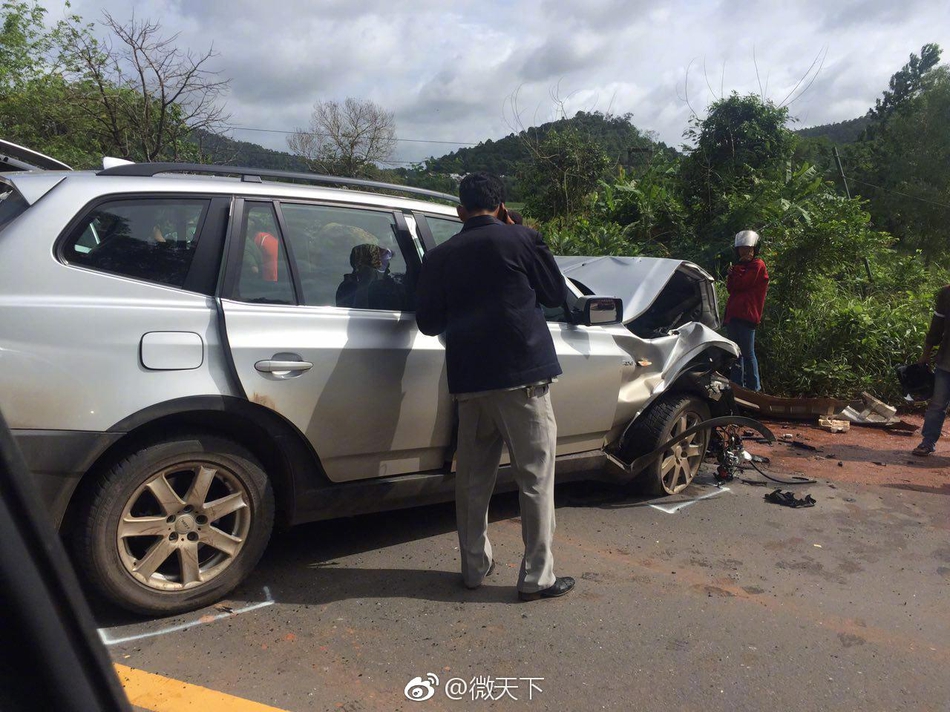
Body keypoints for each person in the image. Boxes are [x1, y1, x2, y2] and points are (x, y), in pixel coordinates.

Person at [415, 172, 574, 602]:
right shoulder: (522, 239)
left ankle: (473, 569)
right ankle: (537, 578)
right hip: (523, 378)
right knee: (536, 478)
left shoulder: (440, 256)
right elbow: (556, 293)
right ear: (502, 206)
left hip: (470, 381)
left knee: (471, 480)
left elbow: (428, 324)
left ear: (459, 211)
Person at [724, 230, 769, 391]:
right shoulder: (739, 267)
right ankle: (737, 387)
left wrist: (735, 271)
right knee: (736, 354)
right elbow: (731, 288)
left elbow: (744, 284)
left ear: (754, 250)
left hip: (748, 316)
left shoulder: (758, 265)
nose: (745, 252)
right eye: (742, 249)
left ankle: (754, 388)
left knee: (748, 354)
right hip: (733, 315)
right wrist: (733, 273)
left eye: (748, 249)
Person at [912, 284, 950, 456]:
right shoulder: (946, 293)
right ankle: (928, 442)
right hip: (946, 360)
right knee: (937, 404)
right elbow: (936, 326)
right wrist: (926, 353)